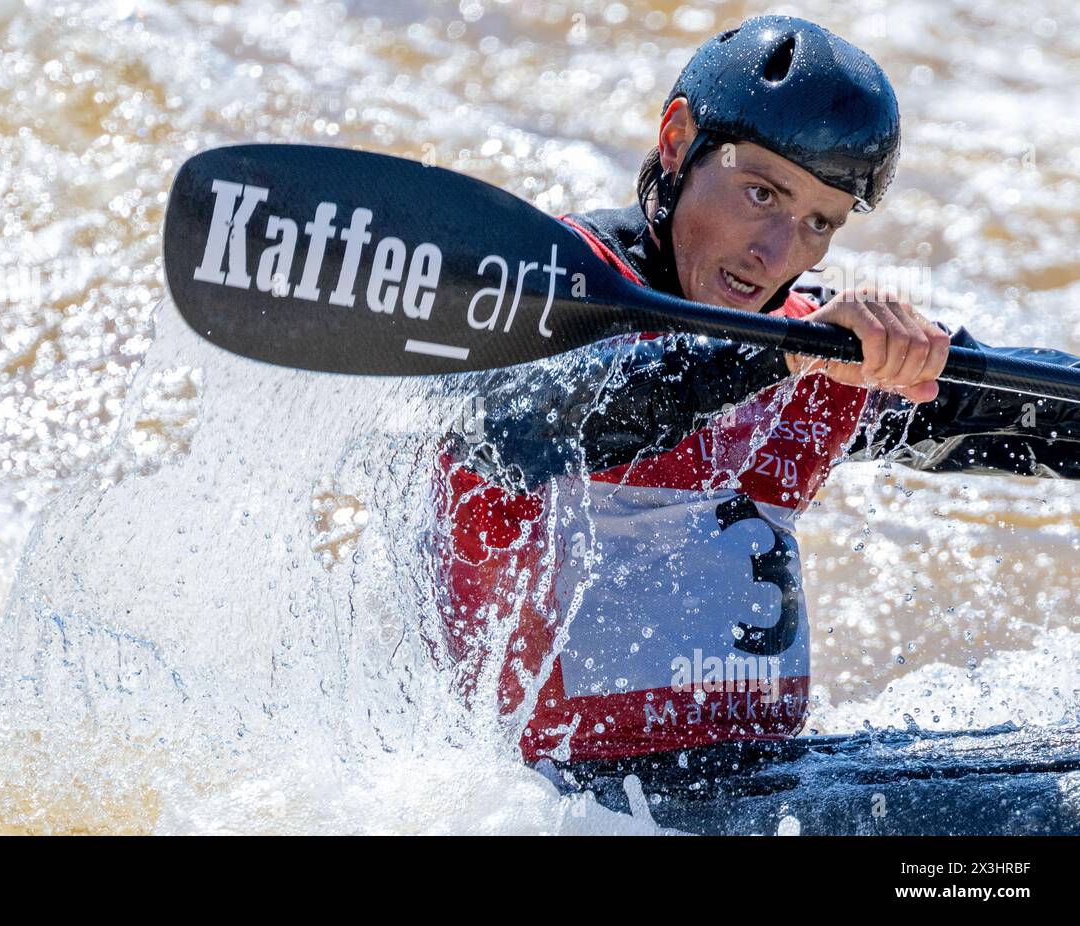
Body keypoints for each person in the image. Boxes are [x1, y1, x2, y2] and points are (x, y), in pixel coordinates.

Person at [428, 15, 1080, 815]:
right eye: (762, 193)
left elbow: (1024, 415)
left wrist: (841, 351)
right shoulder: (548, 292)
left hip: (754, 785)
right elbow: (518, 428)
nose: (777, 253)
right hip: (558, 806)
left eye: (819, 223)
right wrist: (783, 353)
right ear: (677, 142)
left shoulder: (806, 345)